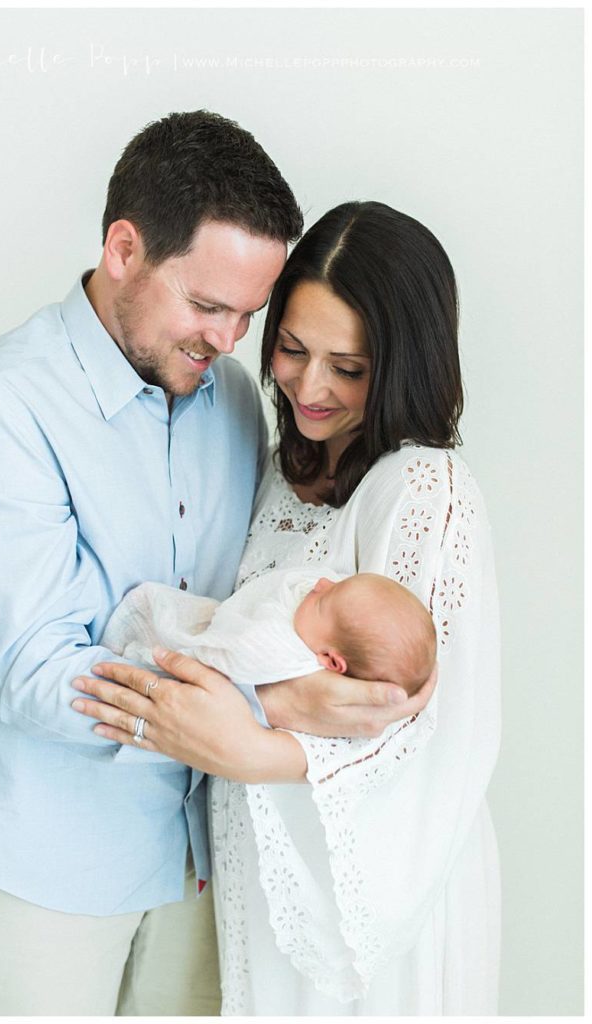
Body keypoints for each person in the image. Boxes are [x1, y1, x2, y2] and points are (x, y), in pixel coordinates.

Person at [0, 113, 432, 1017]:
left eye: (248, 314)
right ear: (123, 249)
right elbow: (40, 674)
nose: (230, 339)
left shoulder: (229, 397)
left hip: (199, 867)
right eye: (206, 304)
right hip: (49, 879)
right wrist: (268, 705)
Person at [72, 200, 501, 1015]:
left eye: (349, 367)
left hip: (367, 884)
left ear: (403, 363)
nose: (309, 386)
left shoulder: (425, 490)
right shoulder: (275, 470)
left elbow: (437, 728)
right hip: (260, 861)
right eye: (294, 351)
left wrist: (252, 745)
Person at [101, 567, 435, 698]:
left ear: (331, 661)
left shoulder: (278, 652)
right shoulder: (318, 620)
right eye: (337, 583)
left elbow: (230, 647)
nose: (320, 583)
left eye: (325, 599)